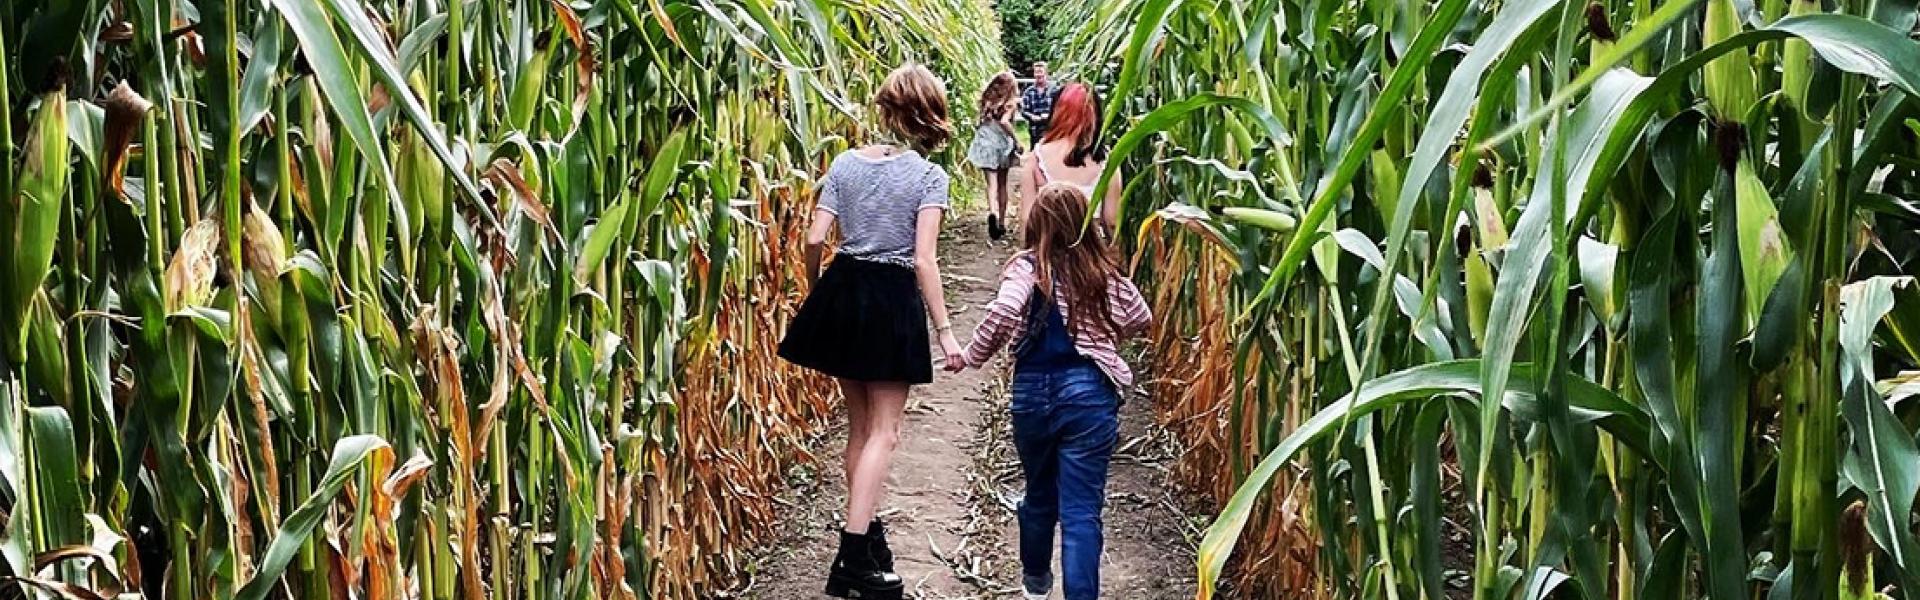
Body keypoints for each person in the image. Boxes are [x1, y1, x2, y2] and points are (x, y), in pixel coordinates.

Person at [777, 62, 967, 600]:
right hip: (889, 297)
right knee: (885, 432)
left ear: (885, 108)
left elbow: (816, 237)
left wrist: (817, 286)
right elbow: (924, 260)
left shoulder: (844, 163)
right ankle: (853, 558)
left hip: (844, 290)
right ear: (928, 114)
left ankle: (870, 534)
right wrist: (946, 331)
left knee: (860, 430)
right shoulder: (929, 177)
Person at [955, 183, 1152, 600]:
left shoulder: (1027, 268)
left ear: (1037, 224)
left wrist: (973, 356)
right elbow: (1140, 315)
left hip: (1032, 395)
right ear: (1086, 225)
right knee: (1081, 511)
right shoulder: (1099, 271)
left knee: (1039, 494)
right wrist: (1105, 336)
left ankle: (1036, 582)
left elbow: (1006, 309)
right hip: (1088, 396)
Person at [1020, 83, 1122, 237]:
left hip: (1048, 249)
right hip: (1090, 252)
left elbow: (1026, 218)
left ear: (1058, 112)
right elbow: (1111, 221)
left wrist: (1027, 254)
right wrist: (1116, 255)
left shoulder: (1037, 157)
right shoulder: (1106, 161)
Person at [968, 72, 1022, 241]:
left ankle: (992, 211)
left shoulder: (986, 100)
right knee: (1002, 184)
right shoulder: (1009, 103)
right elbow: (1005, 122)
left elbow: (978, 121)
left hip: (985, 141)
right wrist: (1017, 140)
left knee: (990, 183)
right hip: (1000, 144)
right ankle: (1001, 221)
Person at [1020, 62, 1057, 142]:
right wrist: (1032, 116)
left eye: (1041, 72)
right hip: (1035, 130)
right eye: (1036, 72)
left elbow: (1060, 108)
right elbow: (1023, 111)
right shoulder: (1029, 92)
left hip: (1051, 129)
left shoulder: (1054, 90)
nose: (1038, 75)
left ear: (1046, 73)